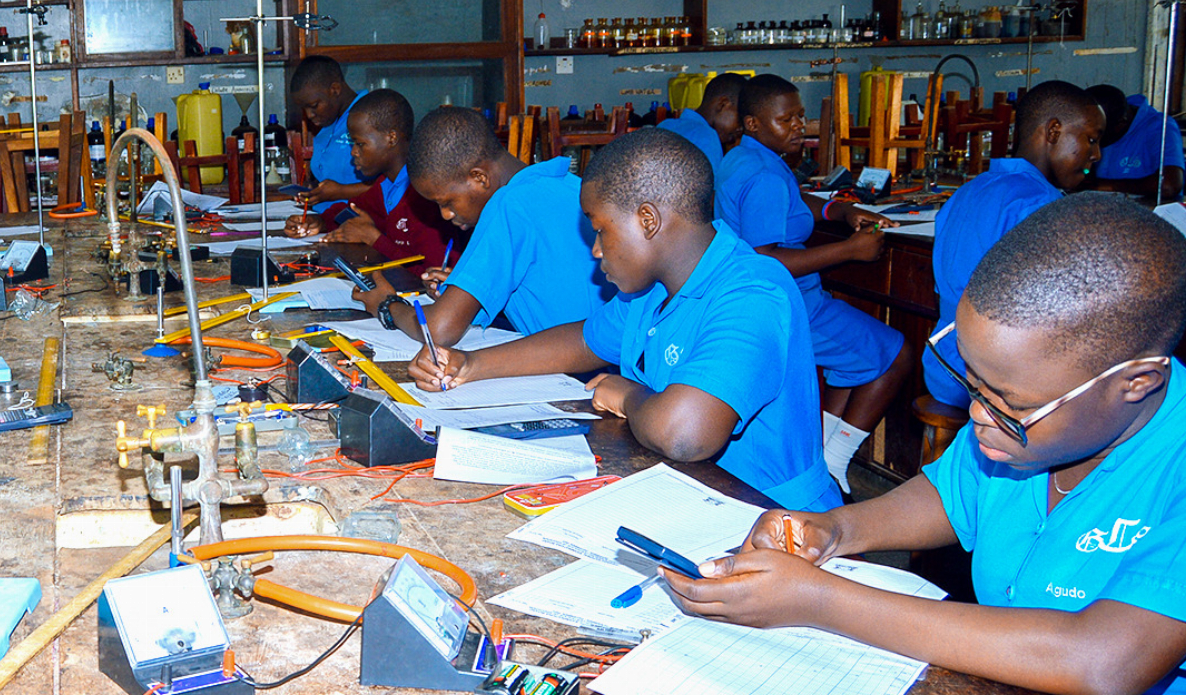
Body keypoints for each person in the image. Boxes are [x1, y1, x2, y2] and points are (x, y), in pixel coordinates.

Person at [667, 194, 1186, 695]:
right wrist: (833, 530)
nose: (978, 415)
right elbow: (943, 497)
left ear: (1135, 383)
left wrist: (821, 599)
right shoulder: (1028, 434)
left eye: (1008, 402)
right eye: (970, 379)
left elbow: (1103, 660)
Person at [411, 128, 840, 513]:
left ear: (648, 221)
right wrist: (470, 364)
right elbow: (583, 340)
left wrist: (628, 394)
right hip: (691, 497)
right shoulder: (653, 289)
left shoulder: (752, 292)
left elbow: (685, 434)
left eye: (601, 230)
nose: (596, 251)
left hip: (773, 518)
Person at [717, 74, 914, 492]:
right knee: (896, 355)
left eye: (800, 117)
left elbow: (795, 199)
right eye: (785, 120)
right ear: (753, 123)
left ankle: (819, 459)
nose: (798, 128)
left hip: (764, 300)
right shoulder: (765, 175)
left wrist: (841, 214)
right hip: (792, 306)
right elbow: (767, 259)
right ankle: (834, 462)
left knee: (851, 362)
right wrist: (849, 251)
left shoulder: (744, 158)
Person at [356, 106, 610, 348]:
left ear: (479, 177)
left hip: (576, 376)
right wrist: (469, 291)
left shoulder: (508, 205)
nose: (445, 215)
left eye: (446, 202)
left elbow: (439, 329)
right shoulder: (567, 183)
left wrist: (387, 305)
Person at [924, 81, 1103, 408]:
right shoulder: (1039, 205)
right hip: (993, 377)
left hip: (943, 366)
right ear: (1053, 131)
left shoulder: (969, 190)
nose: (1096, 154)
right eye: (1090, 139)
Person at [283, 89, 461, 280]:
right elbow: (352, 211)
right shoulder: (386, 184)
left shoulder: (427, 196)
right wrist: (318, 223)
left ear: (391, 138)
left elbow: (432, 275)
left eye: (360, 144)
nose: (353, 152)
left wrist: (373, 239)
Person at [284, 55, 369, 222]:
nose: (309, 115)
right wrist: (313, 191)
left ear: (335, 90)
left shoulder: (369, 115)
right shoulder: (327, 124)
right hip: (325, 220)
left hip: (361, 222)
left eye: (314, 106)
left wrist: (341, 191)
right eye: (304, 108)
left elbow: (392, 182)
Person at [1087, 84, 1183, 203]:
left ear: (1120, 123)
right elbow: (1083, 174)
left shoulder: (1160, 127)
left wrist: (1100, 186)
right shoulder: (1096, 121)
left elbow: (1168, 186)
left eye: (1099, 135)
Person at [658, 71, 749, 167]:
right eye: (740, 118)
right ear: (722, 104)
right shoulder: (708, 137)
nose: (741, 128)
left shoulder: (665, 125)